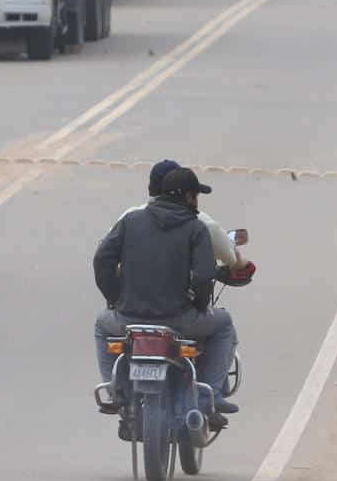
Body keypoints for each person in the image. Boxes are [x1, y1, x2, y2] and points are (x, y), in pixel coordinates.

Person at [92, 166, 240, 425]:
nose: (197, 201)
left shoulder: (130, 220)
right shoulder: (196, 229)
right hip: (179, 320)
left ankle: (116, 391)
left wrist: (116, 299)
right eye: (195, 195)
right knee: (223, 325)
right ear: (187, 197)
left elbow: (102, 260)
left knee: (102, 324)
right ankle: (210, 397)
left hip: (129, 319)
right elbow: (204, 276)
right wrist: (200, 306)